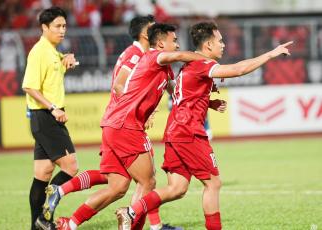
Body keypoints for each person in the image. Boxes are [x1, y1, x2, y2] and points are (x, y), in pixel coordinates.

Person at [116, 21, 293, 230]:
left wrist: (208, 102)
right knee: (213, 183)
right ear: (208, 45)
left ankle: (130, 211)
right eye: (220, 41)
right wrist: (270, 54)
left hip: (175, 130)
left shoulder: (191, 64)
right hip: (189, 131)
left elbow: (184, 95)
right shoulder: (202, 63)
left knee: (177, 188)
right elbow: (238, 69)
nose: (224, 44)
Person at [53, 23, 205, 230]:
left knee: (117, 186)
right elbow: (122, 82)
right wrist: (207, 59)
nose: (177, 45)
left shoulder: (164, 68)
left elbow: (177, 93)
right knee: (148, 182)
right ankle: (143, 227)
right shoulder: (152, 56)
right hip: (127, 125)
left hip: (115, 125)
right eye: (174, 40)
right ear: (160, 43)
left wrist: (205, 97)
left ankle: (69, 224)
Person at [21, 7, 79, 230]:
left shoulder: (53, 51)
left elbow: (52, 73)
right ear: (44, 28)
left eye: (64, 26)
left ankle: (36, 226)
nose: (62, 30)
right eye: (57, 26)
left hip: (44, 117)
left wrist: (66, 60)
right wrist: (54, 108)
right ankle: (45, 218)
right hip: (46, 116)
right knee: (71, 167)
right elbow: (29, 86)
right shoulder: (39, 51)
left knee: (43, 173)